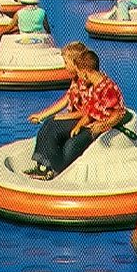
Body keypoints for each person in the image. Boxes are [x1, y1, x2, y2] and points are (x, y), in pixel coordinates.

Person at [25, 45, 126, 180]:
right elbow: (80, 105)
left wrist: (71, 119)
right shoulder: (84, 80)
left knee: (67, 141)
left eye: (66, 63)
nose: (65, 66)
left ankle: (54, 167)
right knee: (50, 124)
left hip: (94, 123)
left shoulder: (99, 85)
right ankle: (43, 165)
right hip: (87, 120)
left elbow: (110, 113)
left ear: (79, 67)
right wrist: (44, 115)